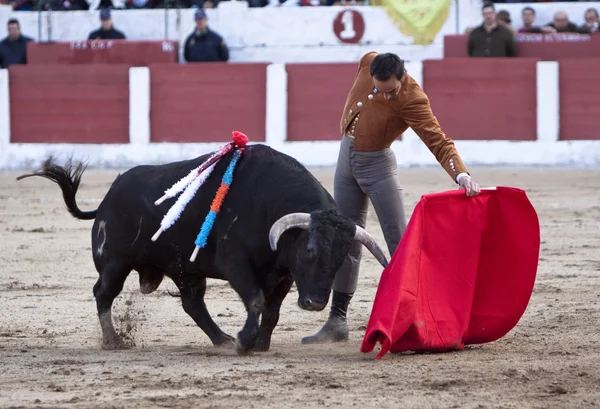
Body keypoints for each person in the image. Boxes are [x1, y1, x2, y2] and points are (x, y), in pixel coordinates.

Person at [301, 51, 481, 344]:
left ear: (401, 78)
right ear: (371, 74)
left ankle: (413, 318)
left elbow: (437, 139)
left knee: (399, 241)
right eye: (380, 89)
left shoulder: (412, 98)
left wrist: (460, 174)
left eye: (392, 91)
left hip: (378, 168)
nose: (386, 95)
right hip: (345, 162)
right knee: (343, 237)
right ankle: (337, 321)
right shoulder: (366, 61)